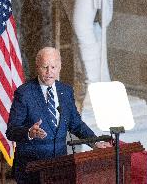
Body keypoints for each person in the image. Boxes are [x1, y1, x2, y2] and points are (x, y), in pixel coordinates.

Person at [6, 47, 111, 183]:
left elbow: (76, 124)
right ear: (37, 67)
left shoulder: (65, 91)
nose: (49, 72)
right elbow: (11, 131)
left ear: (60, 67)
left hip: (60, 168)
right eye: (45, 67)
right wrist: (29, 132)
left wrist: (95, 142)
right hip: (31, 169)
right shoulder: (24, 93)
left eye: (53, 67)